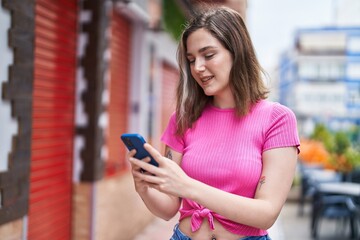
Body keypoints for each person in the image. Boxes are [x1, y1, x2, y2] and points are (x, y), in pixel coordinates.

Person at [127, 6, 300, 240]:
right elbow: (168, 208)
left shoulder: (277, 120)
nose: (198, 67)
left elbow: (266, 213)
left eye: (208, 55)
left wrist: (187, 186)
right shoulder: (183, 118)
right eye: (191, 59)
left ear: (237, 53)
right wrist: (144, 187)